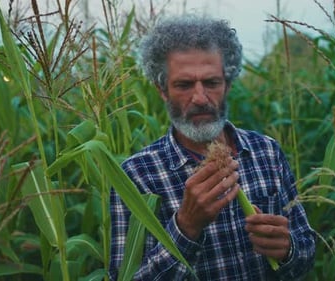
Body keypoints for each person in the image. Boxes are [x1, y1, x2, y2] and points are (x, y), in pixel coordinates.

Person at [109, 14, 316, 281]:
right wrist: (185, 227)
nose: (199, 98)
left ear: (227, 84)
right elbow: (125, 277)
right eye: (183, 85)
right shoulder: (136, 175)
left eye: (211, 83)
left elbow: (306, 252)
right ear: (162, 89)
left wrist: (288, 250)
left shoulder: (267, 152)